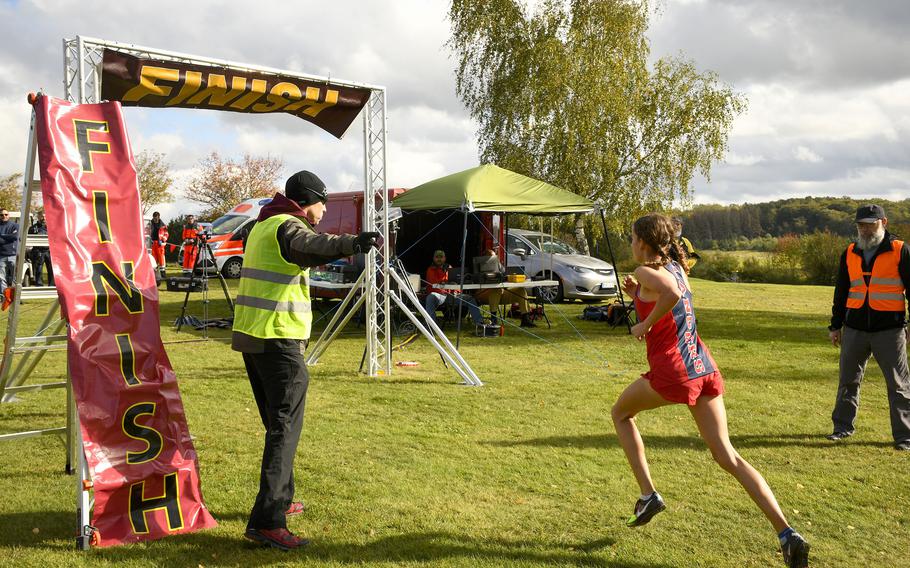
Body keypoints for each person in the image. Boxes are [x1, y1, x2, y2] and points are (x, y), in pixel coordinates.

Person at [611, 213, 809, 567]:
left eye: (631, 238)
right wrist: (637, 297)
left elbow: (668, 296)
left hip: (675, 373)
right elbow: (670, 292)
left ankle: (648, 495)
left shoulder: (646, 271)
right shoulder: (675, 267)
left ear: (642, 242)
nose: (630, 244)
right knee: (727, 456)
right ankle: (787, 533)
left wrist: (643, 322)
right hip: (704, 368)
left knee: (621, 413)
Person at [231, 169, 380, 551]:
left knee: (277, 425)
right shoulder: (287, 225)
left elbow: (300, 253)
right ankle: (268, 521)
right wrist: (354, 242)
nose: (322, 214)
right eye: (321, 205)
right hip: (278, 338)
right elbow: (312, 245)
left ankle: (281, 500)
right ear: (308, 200)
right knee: (284, 428)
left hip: (254, 338)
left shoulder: (263, 225)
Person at [827, 204, 910, 450]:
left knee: (898, 385)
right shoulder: (850, 251)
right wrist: (835, 325)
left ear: (883, 222)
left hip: (890, 330)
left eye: (870, 224)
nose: (864, 229)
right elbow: (841, 291)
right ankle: (841, 428)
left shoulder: (900, 250)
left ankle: (904, 437)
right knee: (848, 381)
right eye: (860, 225)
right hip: (854, 329)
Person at [471, 248, 537, 328]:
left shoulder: (498, 265)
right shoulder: (479, 266)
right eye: (492, 259)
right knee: (496, 289)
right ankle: (494, 319)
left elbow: (504, 274)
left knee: (520, 290)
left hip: (500, 294)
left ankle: (525, 318)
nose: (495, 261)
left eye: (495, 259)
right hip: (482, 295)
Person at [423, 250, 484, 327]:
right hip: (439, 296)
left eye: (441, 257)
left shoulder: (450, 268)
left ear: (444, 258)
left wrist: (455, 288)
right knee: (430, 297)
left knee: (470, 299)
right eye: (437, 257)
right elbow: (433, 284)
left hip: (452, 295)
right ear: (433, 258)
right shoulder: (431, 269)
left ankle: (480, 323)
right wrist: (445, 283)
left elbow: (455, 281)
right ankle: (431, 325)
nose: (439, 259)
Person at [27, 211, 53, 287]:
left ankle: (52, 286)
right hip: (38, 252)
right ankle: (39, 286)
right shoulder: (32, 228)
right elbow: (29, 241)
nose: (44, 218)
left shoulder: (52, 227)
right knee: (38, 270)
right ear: (38, 217)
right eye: (42, 216)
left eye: (45, 216)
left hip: (49, 251)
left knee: (52, 269)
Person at [0, 208, 19, 292]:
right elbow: (11, 237)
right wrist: (9, 237)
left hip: (13, 255)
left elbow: (15, 236)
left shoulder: (15, 225)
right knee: (1, 277)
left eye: (6, 214)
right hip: (1, 256)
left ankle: (15, 296)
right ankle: (4, 296)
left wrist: (2, 235)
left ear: (9, 215)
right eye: (1, 215)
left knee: (15, 277)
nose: (4, 216)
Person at [148, 211, 168, 277]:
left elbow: (166, 234)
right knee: (153, 258)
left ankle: (163, 273)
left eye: (156, 218)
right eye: (154, 218)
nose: (155, 219)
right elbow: (146, 232)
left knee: (161, 257)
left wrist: (163, 240)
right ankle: (154, 274)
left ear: (159, 217)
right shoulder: (150, 224)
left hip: (160, 244)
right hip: (152, 243)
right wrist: (149, 240)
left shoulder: (163, 225)